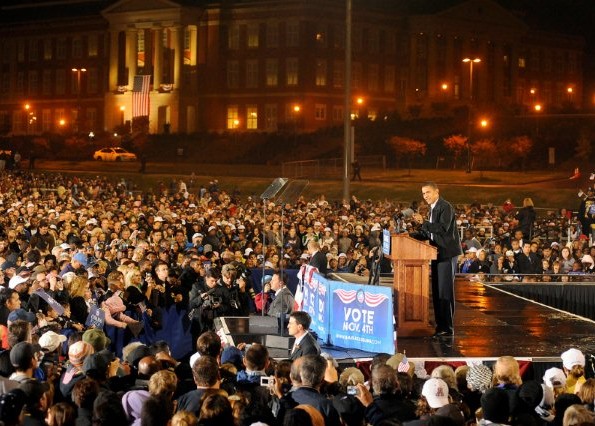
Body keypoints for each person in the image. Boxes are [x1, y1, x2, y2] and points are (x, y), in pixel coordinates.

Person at [413, 182, 462, 338]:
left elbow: (442, 228)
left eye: (427, 192)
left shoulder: (445, 206)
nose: (425, 196)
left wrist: (424, 223)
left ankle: (447, 328)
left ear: (436, 192)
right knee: (437, 291)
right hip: (436, 253)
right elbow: (432, 234)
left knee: (444, 291)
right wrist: (410, 235)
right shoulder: (432, 209)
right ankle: (440, 324)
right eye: (423, 193)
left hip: (446, 254)